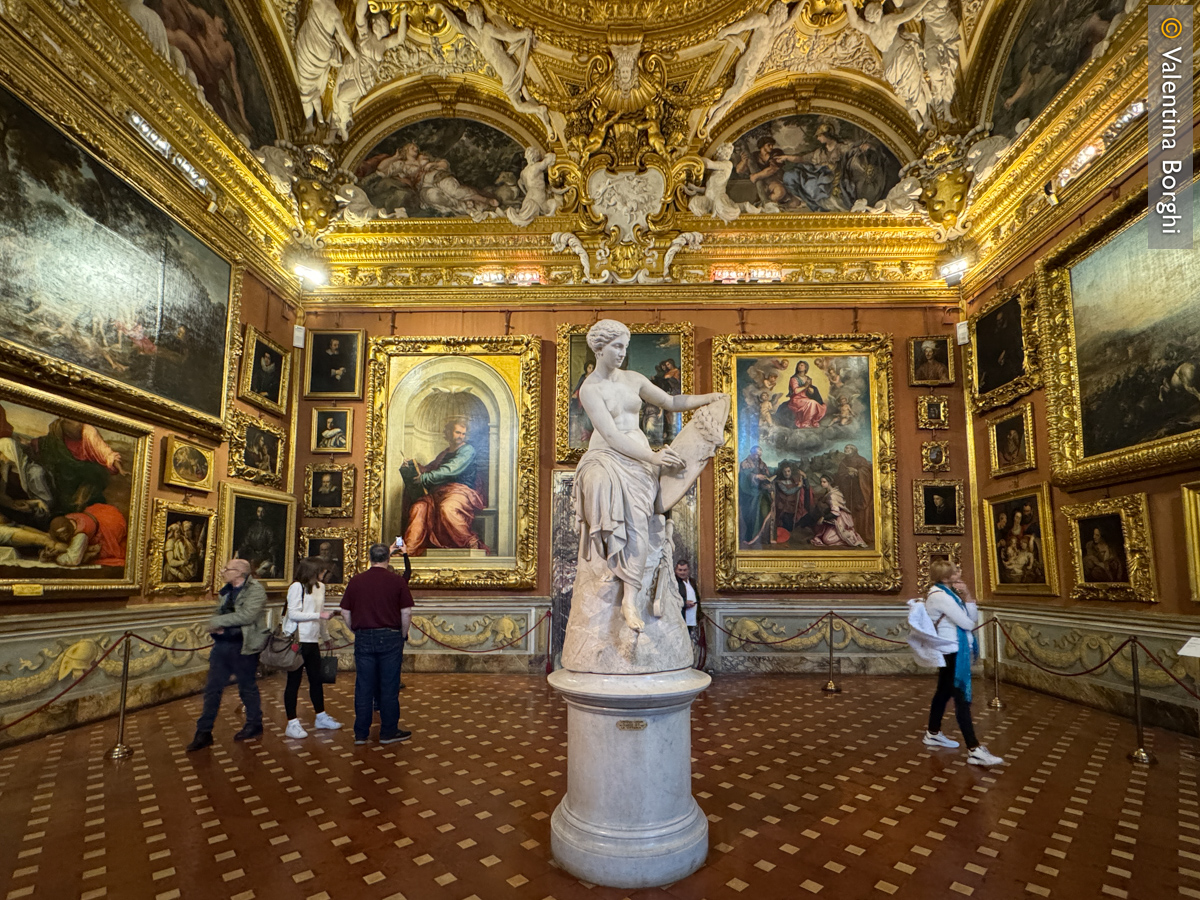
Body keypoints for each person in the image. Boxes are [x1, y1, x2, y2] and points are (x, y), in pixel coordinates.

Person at [573, 319, 724, 632]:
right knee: (599, 487)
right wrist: (653, 456)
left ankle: (630, 597)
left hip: (639, 458)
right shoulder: (590, 389)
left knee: (640, 524)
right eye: (616, 346)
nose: (621, 353)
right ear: (599, 348)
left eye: (624, 347)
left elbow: (671, 402)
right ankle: (608, 569)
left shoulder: (633, 379)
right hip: (605, 457)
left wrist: (708, 398)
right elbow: (613, 436)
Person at [922, 560, 1004, 766]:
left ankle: (932, 732)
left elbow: (971, 618)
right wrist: (965, 602)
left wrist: (967, 596)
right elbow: (968, 623)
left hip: (953, 649)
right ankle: (974, 749)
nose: (959, 572)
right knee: (961, 698)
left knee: (943, 692)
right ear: (945, 577)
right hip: (952, 652)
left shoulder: (949, 595)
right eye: (955, 571)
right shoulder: (941, 597)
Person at [187, 559, 269, 751]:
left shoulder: (255, 590)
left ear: (240, 572)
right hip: (222, 645)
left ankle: (254, 723)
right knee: (212, 689)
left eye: (227, 569)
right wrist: (218, 627)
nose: (223, 571)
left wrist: (219, 621)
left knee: (247, 687)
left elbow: (247, 616)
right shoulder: (226, 591)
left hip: (243, 645)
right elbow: (222, 612)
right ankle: (203, 732)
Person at [339, 542, 414, 745]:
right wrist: (403, 634)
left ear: (369, 558)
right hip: (390, 637)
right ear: (388, 559)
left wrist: (355, 628)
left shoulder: (356, 581)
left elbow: (345, 611)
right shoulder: (396, 581)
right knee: (389, 686)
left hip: (364, 637)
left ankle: (361, 734)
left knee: (364, 686)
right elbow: (406, 612)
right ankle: (388, 731)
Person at [400, 418, 489, 555]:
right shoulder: (445, 453)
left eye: (463, 434)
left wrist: (425, 478)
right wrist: (413, 466)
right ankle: (409, 549)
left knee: (447, 508)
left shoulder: (467, 450)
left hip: (460, 491)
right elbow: (431, 469)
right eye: (457, 432)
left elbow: (451, 469)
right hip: (438, 492)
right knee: (419, 508)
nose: (461, 436)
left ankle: (470, 542)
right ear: (448, 433)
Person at [283, 557, 343, 739]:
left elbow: (321, 614)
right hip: (298, 640)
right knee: (293, 682)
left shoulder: (320, 587)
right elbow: (293, 613)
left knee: (316, 680)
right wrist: (319, 614)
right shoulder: (296, 587)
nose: (325, 574)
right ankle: (292, 722)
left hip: (312, 640)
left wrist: (325, 637)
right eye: (322, 570)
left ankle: (321, 716)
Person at [782, 360, 826, 428]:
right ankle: (805, 423)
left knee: (818, 405)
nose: (800, 366)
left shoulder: (808, 379)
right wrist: (805, 386)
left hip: (805, 398)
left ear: (806, 368)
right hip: (796, 399)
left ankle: (813, 421)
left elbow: (811, 392)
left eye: (802, 365)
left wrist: (808, 387)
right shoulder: (794, 379)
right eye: (799, 365)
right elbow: (796, 391)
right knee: (811, 403)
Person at [675, 559, 700, 641]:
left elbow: (697, 597)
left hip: (692, 618)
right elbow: (671, 599)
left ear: (688, 570)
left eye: (685, 570)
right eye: (680, 570)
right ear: (676, 570)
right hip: (680, 618)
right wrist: (684, 604)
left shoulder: (692, 581)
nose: (682, 572)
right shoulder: (674, 583)